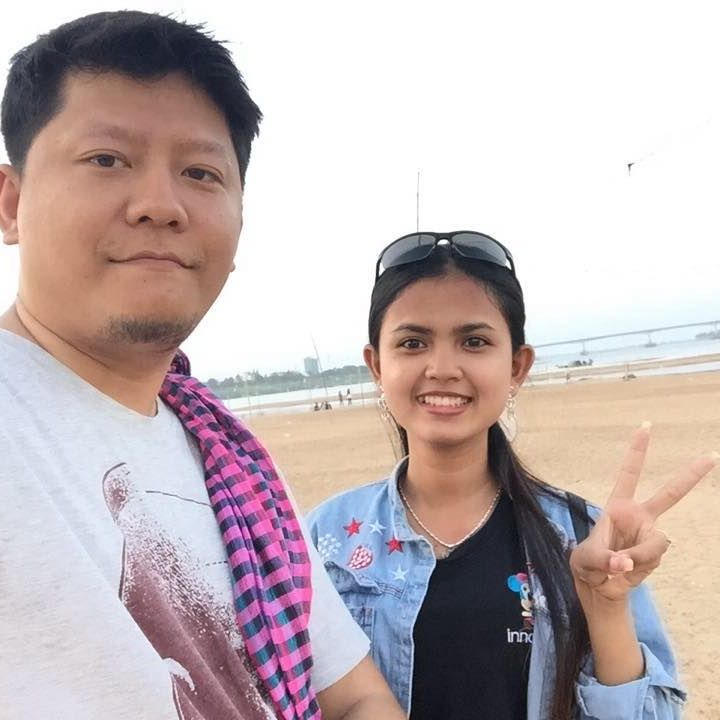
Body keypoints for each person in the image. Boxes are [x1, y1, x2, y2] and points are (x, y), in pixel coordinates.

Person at [0, 12, 403, 720]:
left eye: (200, 173)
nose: (161, 205)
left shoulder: (233, 462)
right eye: (107, 159)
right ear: (11, 204)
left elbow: (353, 696)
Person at [307, 231, 718, 719]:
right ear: (377, 365)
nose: (442, 368)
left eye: (474, 341)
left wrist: (605, 608)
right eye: (413, 343)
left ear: (517, 367)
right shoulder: (324, 540)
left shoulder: (584, 537)